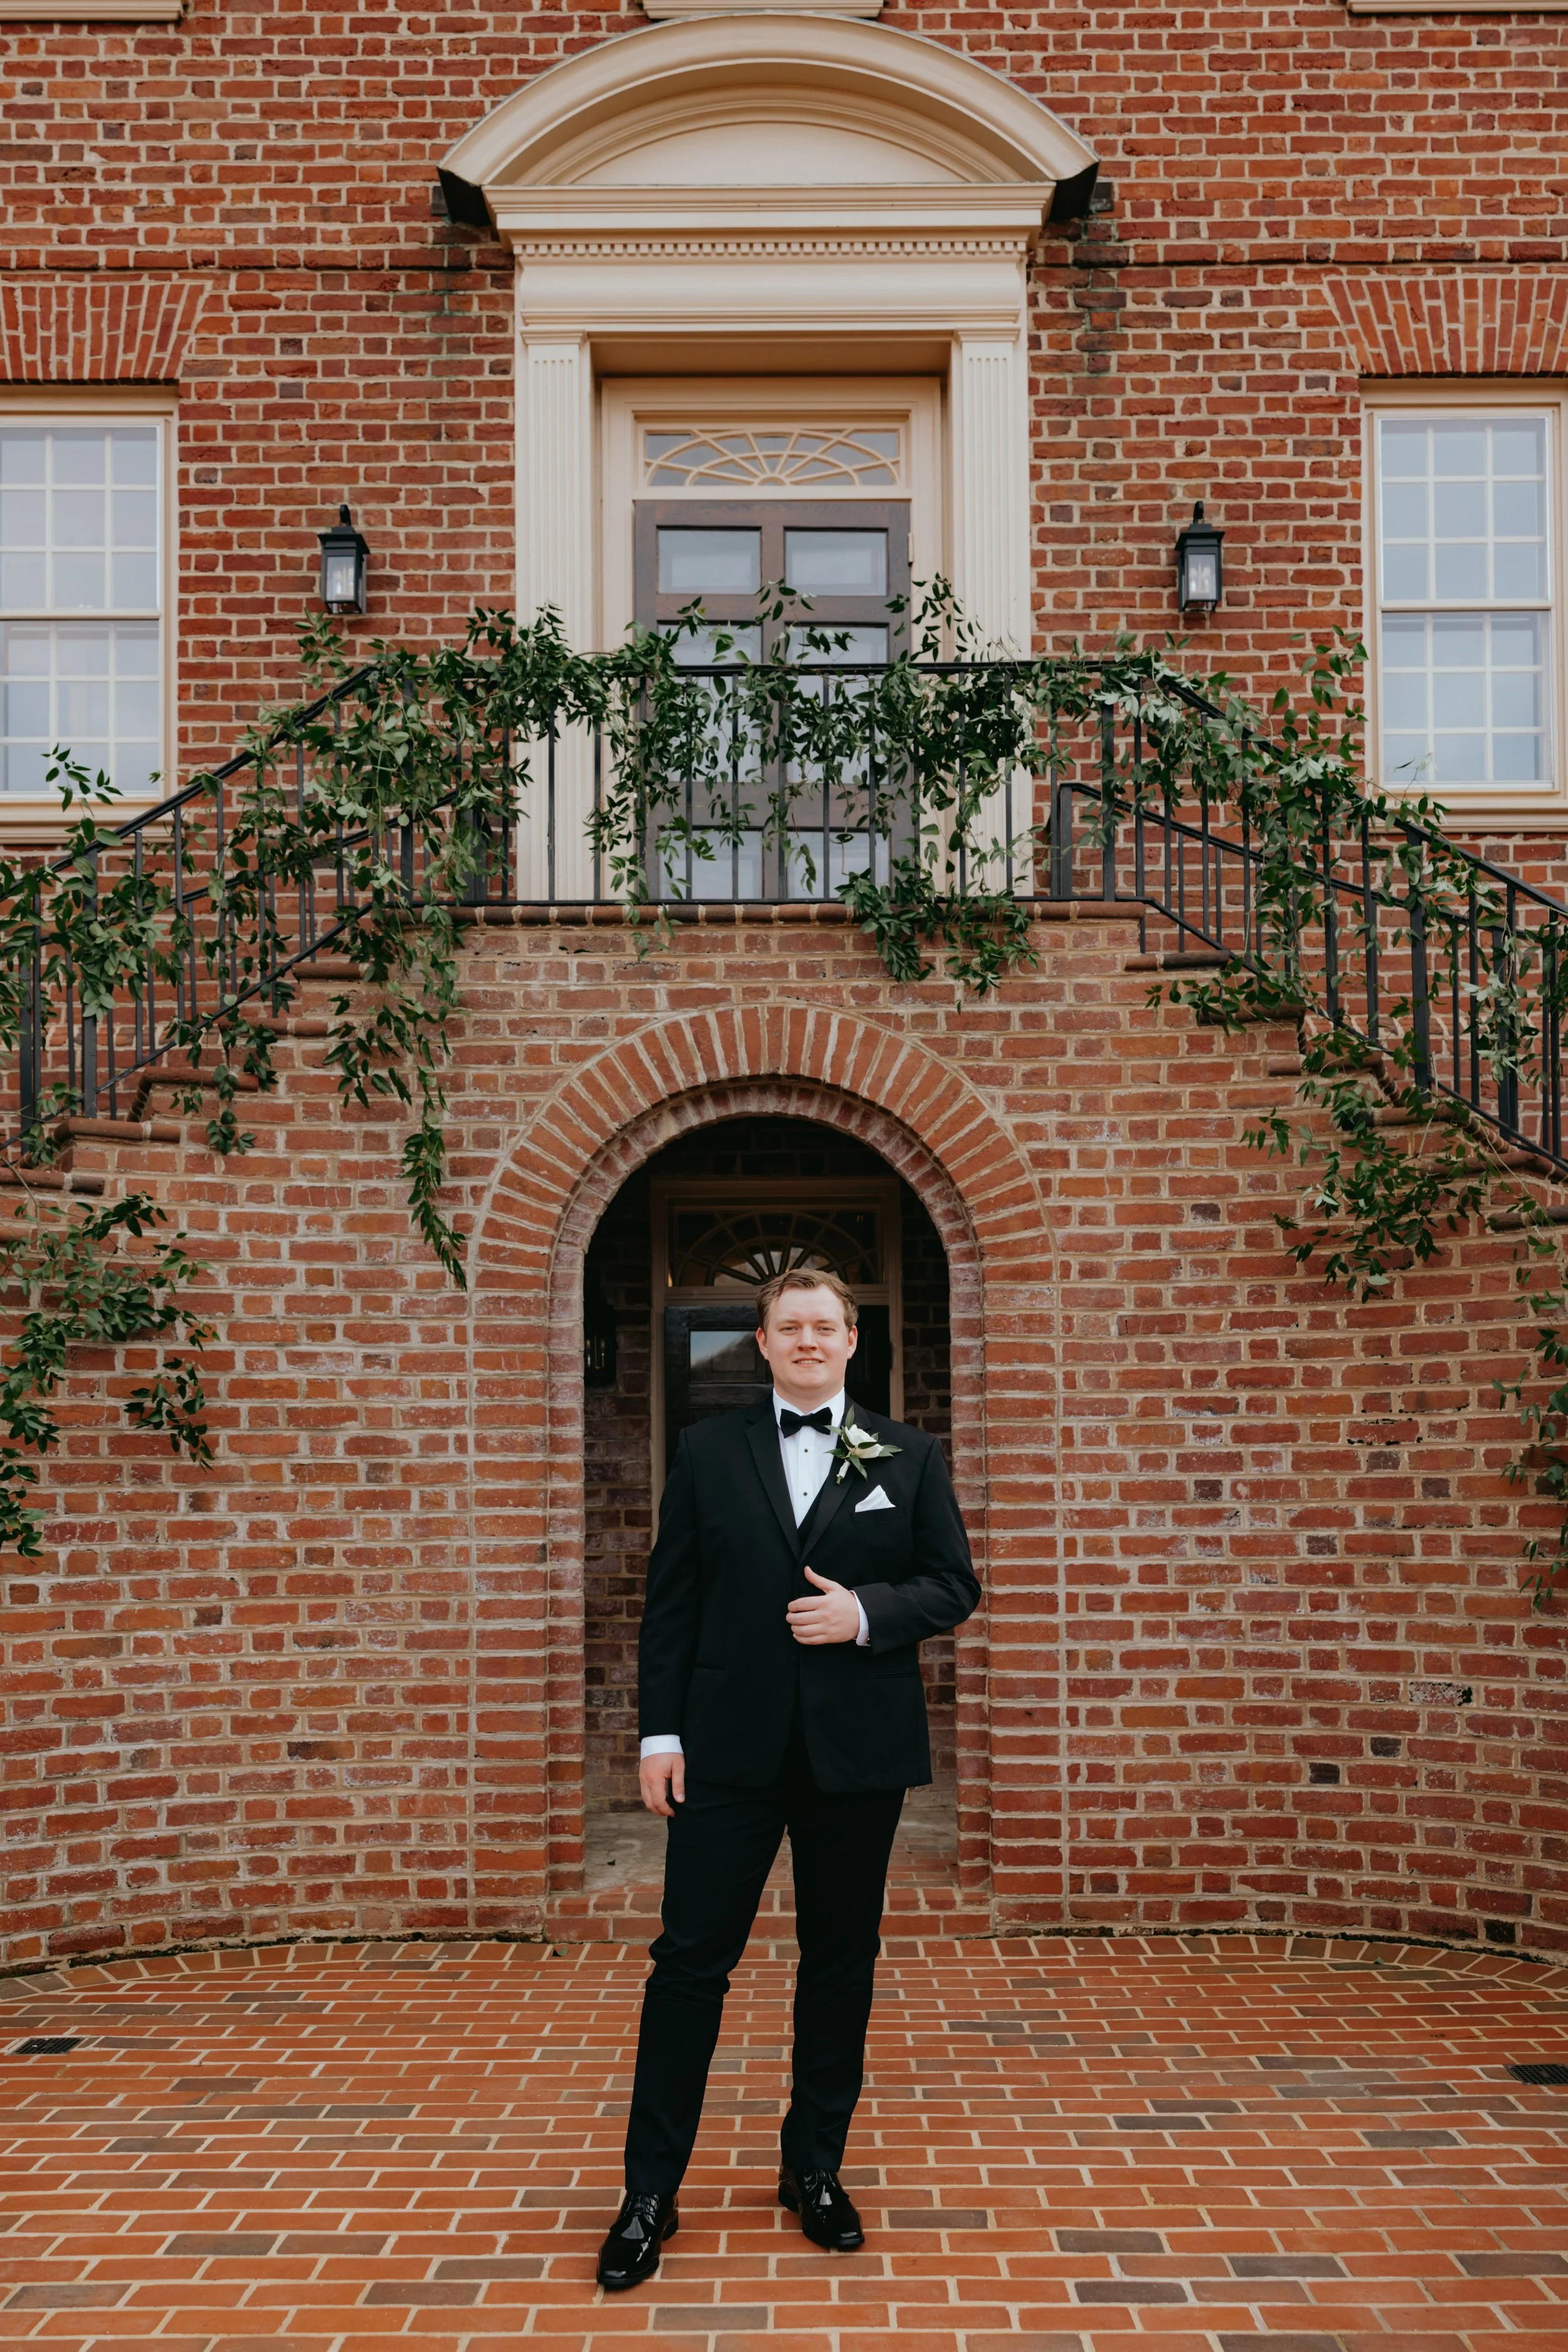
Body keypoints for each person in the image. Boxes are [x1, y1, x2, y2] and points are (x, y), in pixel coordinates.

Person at [595, 1265, 980, 2291]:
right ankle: (648, 2189)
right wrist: (659, 1735)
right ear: (760, 1343)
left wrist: (863, 1615)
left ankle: (814, 2167)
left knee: (838, 1961)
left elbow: (952, 1582)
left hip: (857, 1755)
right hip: (726, 1747)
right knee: (688, 1964)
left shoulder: (909, 1451)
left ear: (854, 1340)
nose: (808, 1339)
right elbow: (670, 1602)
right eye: (788, 1326)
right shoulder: (706, 1451)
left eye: (825, 1325)